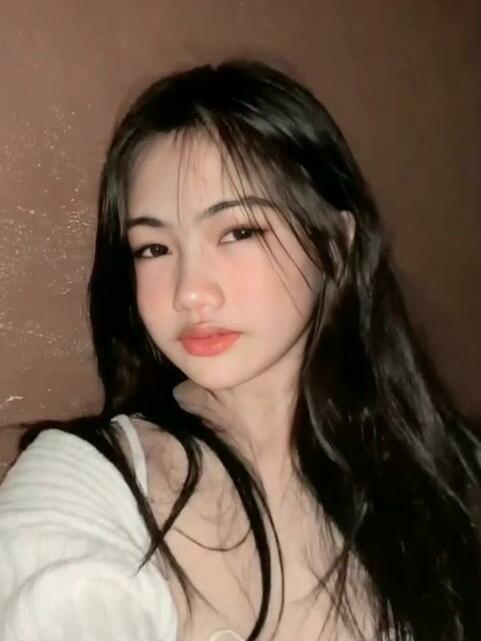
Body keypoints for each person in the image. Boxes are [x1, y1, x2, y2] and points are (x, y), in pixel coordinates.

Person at [0, 59, 480, 641]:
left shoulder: (452, 471)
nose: (189, 292)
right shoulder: (89, 480)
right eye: (154, 248)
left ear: (335, 243)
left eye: (238, 232)